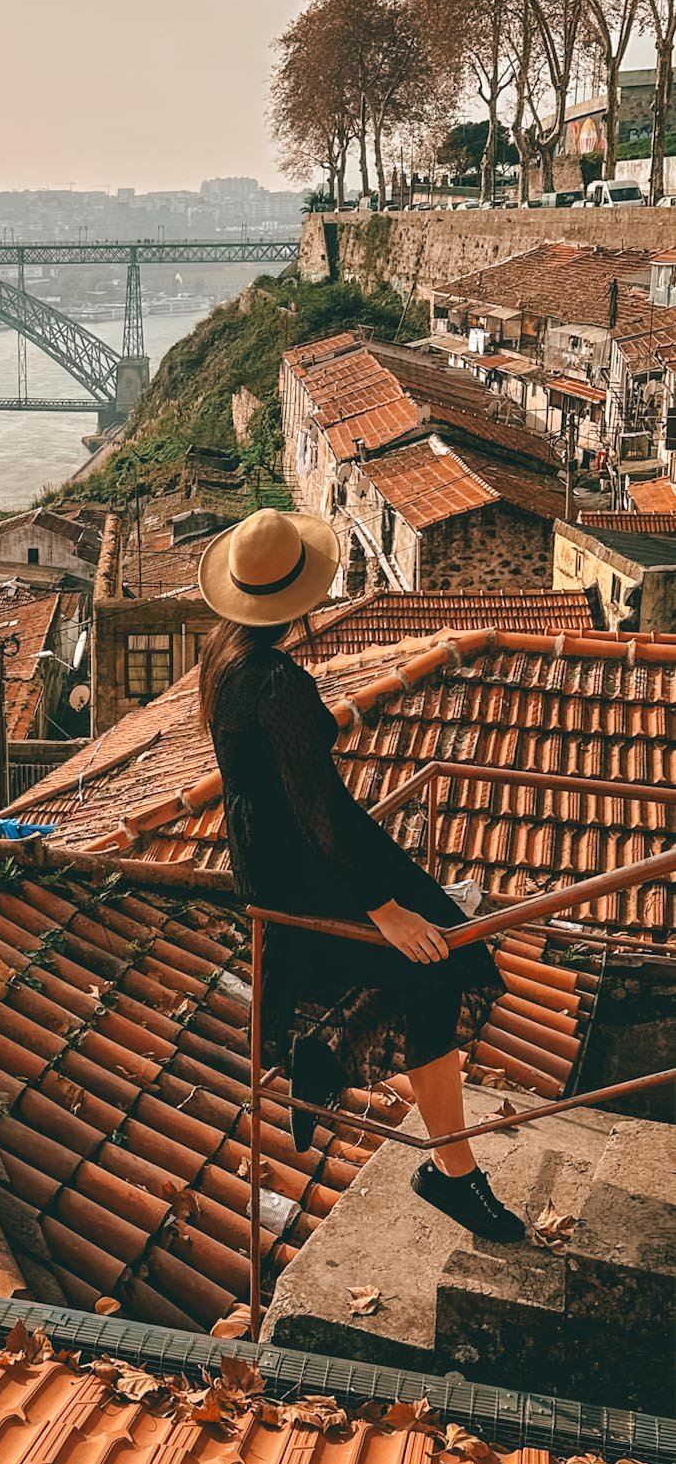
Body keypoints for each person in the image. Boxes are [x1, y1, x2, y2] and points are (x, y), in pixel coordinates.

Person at [196, 507, 524, 1242]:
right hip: (310, 860)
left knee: (430, 949)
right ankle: (451, 1171)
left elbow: (275, 772)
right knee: (439, 958)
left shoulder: (225, 660)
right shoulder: (276, 681)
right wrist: (384, 908)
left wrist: (319, 727)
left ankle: (329, 1060)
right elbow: (321, 810)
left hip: (268, 861)